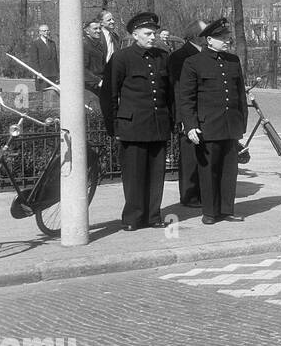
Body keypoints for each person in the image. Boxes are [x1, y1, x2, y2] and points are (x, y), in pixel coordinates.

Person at [102, 12, 173, 231]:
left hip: (158, 124)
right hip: (132, 126)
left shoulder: (163, 57)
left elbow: (170, 93)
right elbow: (109, 94)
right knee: (133, 174)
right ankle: (133, 217)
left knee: (156, 174)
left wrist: (173, 120)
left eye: (154, 33)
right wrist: (113, 125)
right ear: (135, 34)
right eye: (148, 33)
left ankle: (153, 215)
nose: (153, 37)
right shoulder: (122, 58)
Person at [177, 18, 248, 224]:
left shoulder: (233, 61)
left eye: (228, 37)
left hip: (230, 126)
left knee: (229, 171)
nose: (227, 41)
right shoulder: (193, 63)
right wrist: (190, 126)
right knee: (208, 171)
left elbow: (239, 95)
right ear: (209, 40)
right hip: (207, 127)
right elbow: (187, 98)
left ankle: (226, 209)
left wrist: (241, 122)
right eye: (222, 38)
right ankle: (210, 212)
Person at [168, 19, 209, 209]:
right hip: (188, 114)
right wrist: (183, 118)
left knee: (202, 155)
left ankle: (203, 193)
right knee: (189, 157)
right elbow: (178, 89)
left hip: (206, 114)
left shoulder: (207, 54)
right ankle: (190, 195)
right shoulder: (180, 56)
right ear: (197, 36)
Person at [82, 15, 107, 104]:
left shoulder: (99, 44)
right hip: (90, 86)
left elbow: (104, 65)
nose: (99, 31)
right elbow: (82, 69)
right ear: (87, 30)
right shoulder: (84, 45)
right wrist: (98, 81)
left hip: (100, 83)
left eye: (100, 28)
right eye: (95, 29)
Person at [27, 23, 59, 92]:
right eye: (44, 31)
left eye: (47, 30)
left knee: (53, 95)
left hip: (52, 74)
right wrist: (38, 73)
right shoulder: (35, 44)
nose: (46, 32)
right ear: (40, 32)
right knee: (42, 94)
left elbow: (55, 59)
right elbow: (34, 60)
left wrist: (57, 73)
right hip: (42, 75)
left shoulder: (52, 43)